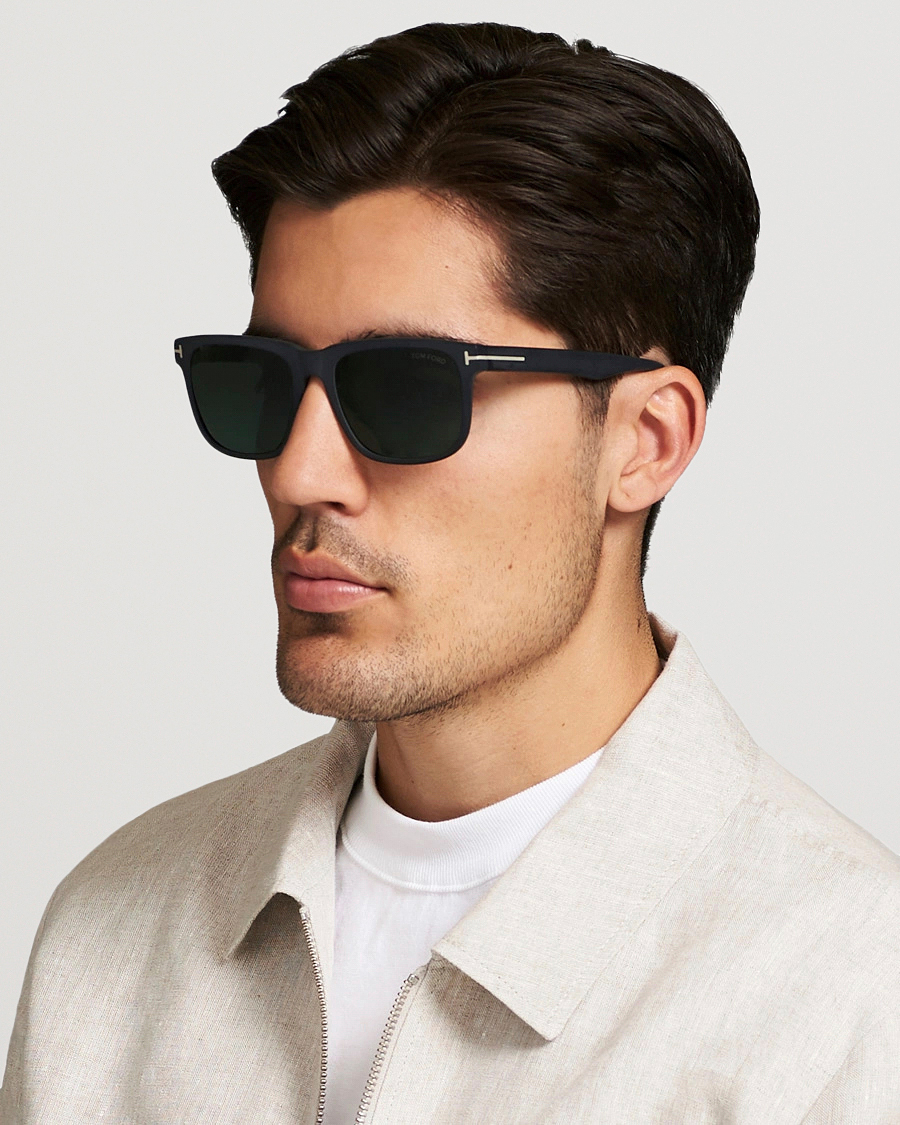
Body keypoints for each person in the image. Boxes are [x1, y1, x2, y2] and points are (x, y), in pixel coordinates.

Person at [2, 20, 898, 1124]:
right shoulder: (111, 937)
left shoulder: (849, 1000)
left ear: (645, 441)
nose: (299, 470)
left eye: (405, 388)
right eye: (263, 381)